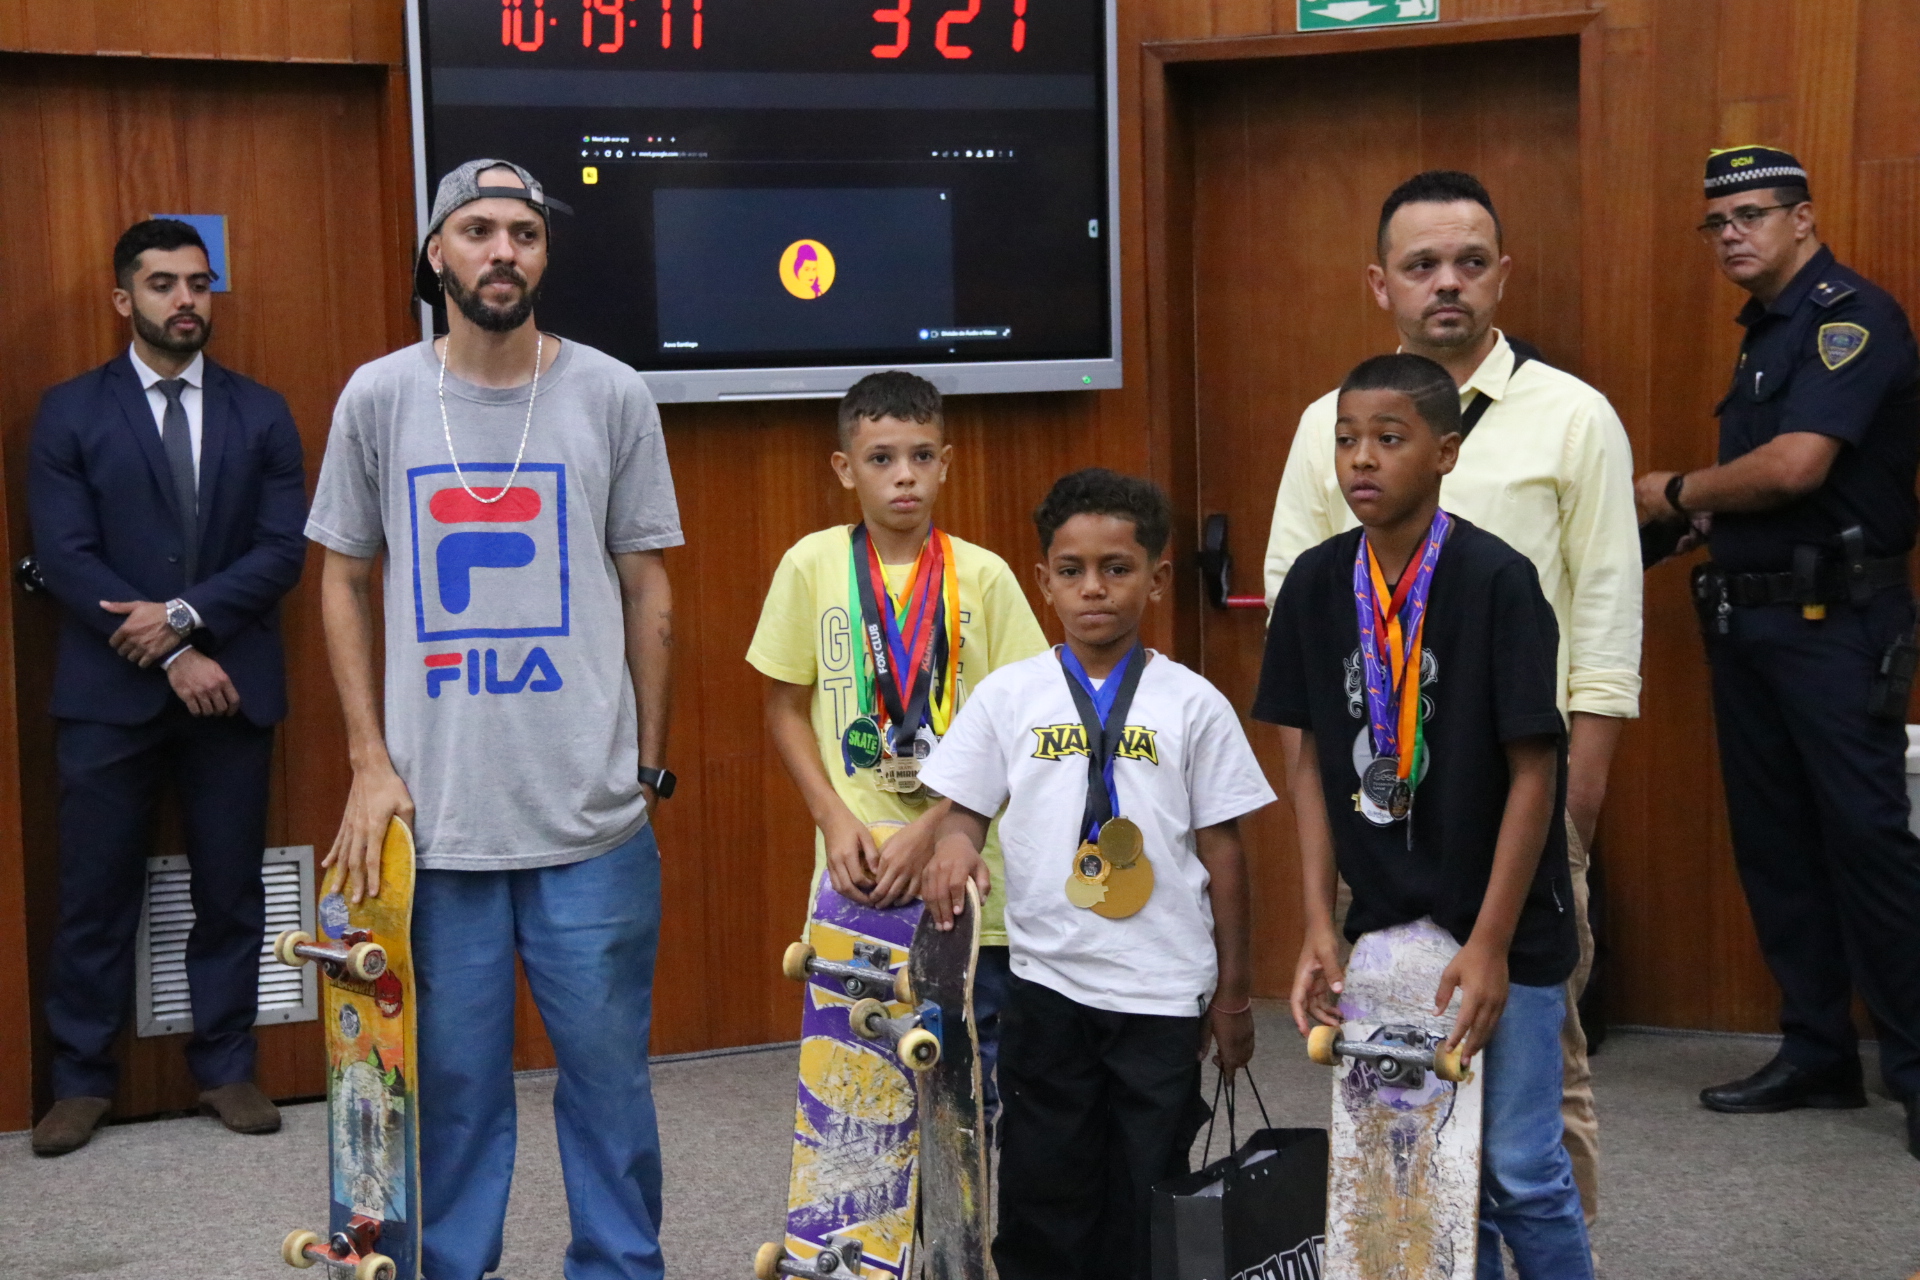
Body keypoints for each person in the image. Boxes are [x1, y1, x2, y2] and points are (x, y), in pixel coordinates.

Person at [306, 159, 682, 1278]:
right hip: (437, 827)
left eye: (523, 231)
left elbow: (649, 583)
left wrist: (647, 763)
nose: (502, 250)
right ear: (438, 254)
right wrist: (369, 761)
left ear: (544, 255)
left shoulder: (611, 392)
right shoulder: (380, 396)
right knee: (453, 1088)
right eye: (477, 230)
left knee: (609, 1085)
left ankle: (619, 1268)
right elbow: (340, 578)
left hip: (592, 825)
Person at [1262, 170, 1639, 1220]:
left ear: (1502, 275)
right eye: (1421, 264)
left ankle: (1559, 1248)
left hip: (1519, 805)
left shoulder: (1574, 418)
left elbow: (1607, 624)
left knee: (1536, 1089)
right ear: (1379, 282)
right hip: (1378, 820)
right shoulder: (1327, 425)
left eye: (1470, 263)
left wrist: (1573, 809)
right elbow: (1300, 612)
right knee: (1396, 1079)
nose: (1447, 283)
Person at [1257, 353, 1590, 1278]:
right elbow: (1308, 761)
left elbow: (1535, 772)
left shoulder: (1497, 579)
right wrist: (1318, 923)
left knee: (1519, 1168)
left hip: (1505, 926)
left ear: (1445, 452)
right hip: (1387, 927)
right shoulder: (1317, 584)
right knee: (1434, 1175)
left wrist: (1491, 943)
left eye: (1389, 439)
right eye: (1347, 440)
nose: (1362, 458)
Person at [1634, 145, 1920, 1159]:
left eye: (1751, 214)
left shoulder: (1849, 319)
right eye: (1716, 223)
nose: (1731, 235)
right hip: (1751, 623)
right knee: (1778, 846)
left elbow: (1798, 466)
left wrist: (1675, 491)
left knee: (1867, 842)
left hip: (1835, 627)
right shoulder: (1767, 332)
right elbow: (1783, 490)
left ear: (1803, 219)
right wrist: (1705, 523)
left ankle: (1916, 1070)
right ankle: (1817, 1052)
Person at [919, 469, 1274, 1280]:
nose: (1093, 589)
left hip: (1162, 992)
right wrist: (955, 845)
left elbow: (1224, 853)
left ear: (1157, 579)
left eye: (1117, 569)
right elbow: (965, 811)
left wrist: (1233, 996)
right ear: (1043, 581)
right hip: (1047, 984)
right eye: (1071, 570)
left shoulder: (1193, 703)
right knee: (1042, 1184)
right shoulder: (1010, 696)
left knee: (1147, 1192)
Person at [26, 218, 308, 1156]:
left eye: (197, 283)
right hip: (109, 698)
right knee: (94, 896)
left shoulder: (261, 412)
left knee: (230, 891)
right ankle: (79, 1083)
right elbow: (66, 556)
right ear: (124, 299)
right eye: (162, 284)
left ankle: (226, 1068)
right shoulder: (69, 411)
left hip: (231, 691)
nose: (185, 300)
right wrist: (175, 651)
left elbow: (280, 551)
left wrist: (184, 619)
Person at [746, 370, 1047, 1116]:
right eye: (881, 458)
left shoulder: (985, 576)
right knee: (866, 1088)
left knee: (970, 1094)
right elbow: (784, 707)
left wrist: (940, 826)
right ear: (845, 469)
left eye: (921, 456)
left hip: (969, 876)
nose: (903, 475)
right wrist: (832, 817)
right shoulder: (811, 565)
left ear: (947, 462)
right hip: (858, 872)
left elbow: (1023, 727)